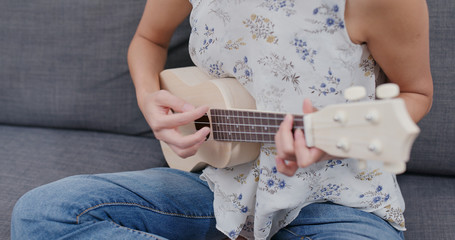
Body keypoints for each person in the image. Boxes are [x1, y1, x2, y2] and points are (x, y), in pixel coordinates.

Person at [12, 0, 433, 239]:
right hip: (220, 190)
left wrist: (332, 137)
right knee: (45, 213)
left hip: (336, 204)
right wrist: (148, 98)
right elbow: (148, 39)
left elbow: (416, 94)